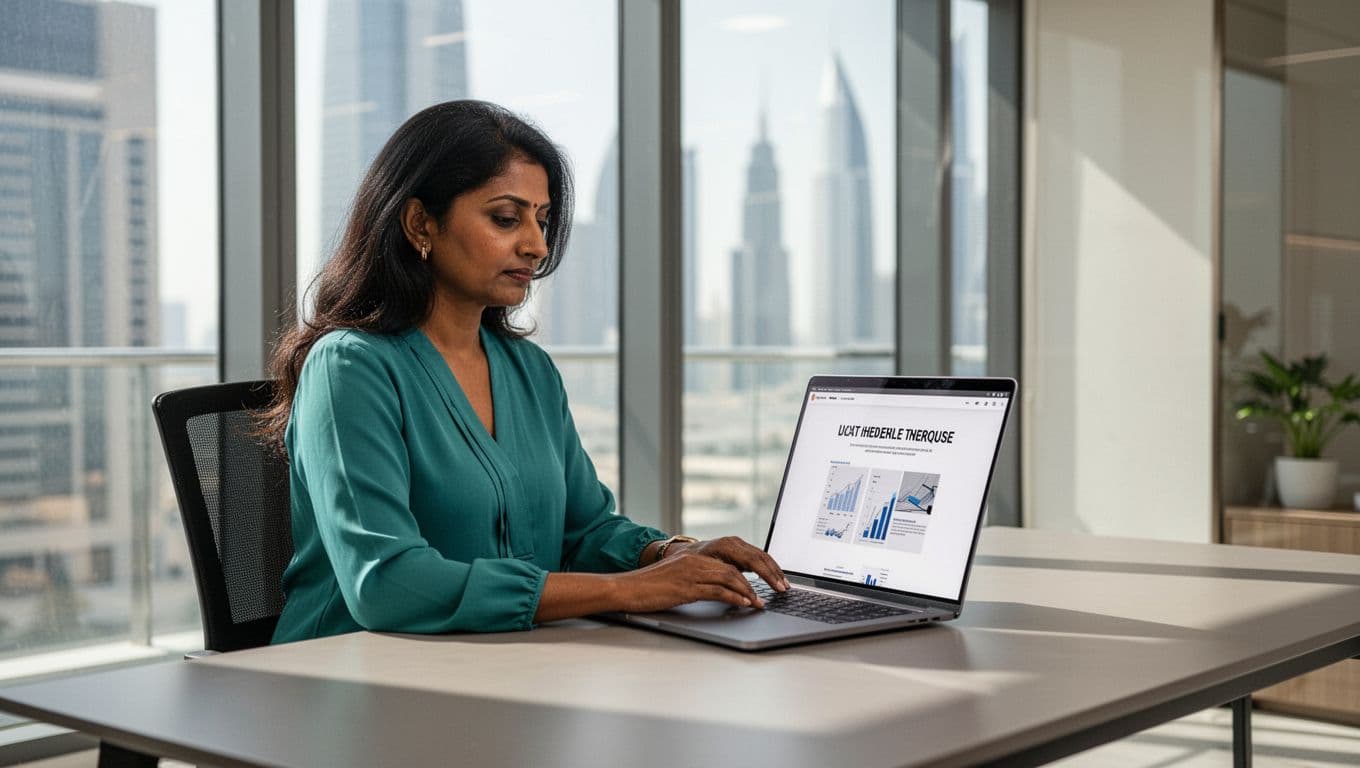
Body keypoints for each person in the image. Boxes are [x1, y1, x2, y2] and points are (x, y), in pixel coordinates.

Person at [260, 100, 787, 642]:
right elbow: (387, 584)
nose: (536, 246)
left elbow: (584, 531)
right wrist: (631, 590)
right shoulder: (350, 367)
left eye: (542, 220)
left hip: (504, 664)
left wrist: (672, 553)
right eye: (505, 219)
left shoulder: (529, 371)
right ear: (421, 222)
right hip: (345, 679)